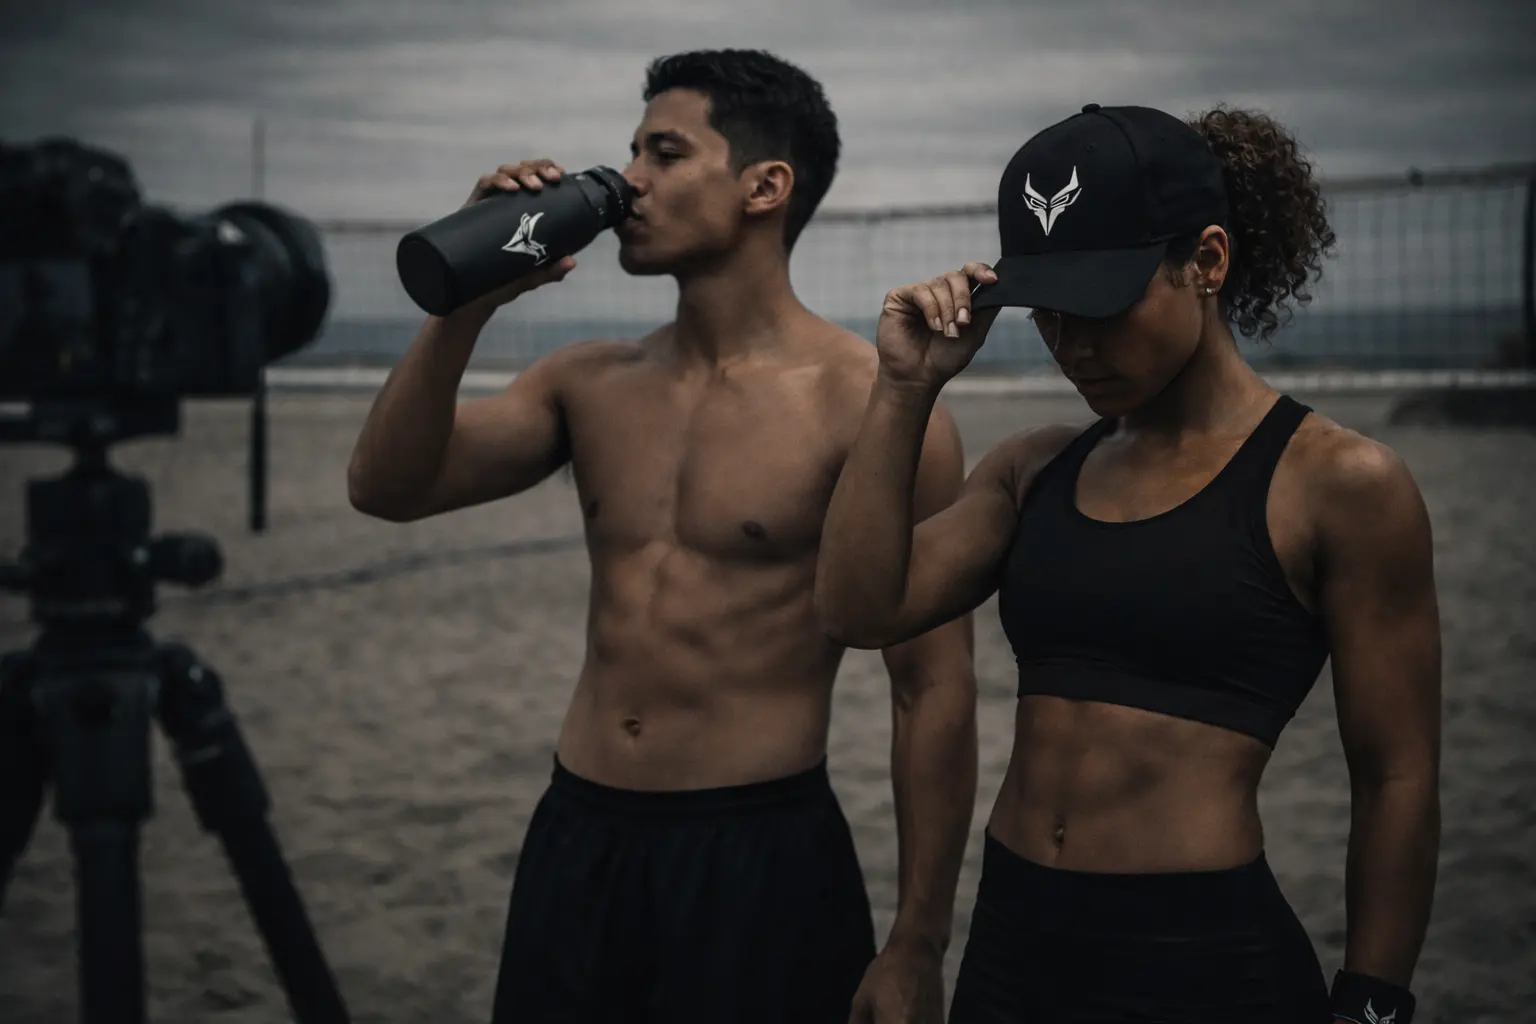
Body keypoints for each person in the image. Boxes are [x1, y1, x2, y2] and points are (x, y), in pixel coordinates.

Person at [347, 49, 978, 1024]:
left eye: (666, 152)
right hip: (579, 835)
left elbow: (929, 688)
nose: (628, 179)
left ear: (765, 186)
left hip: (757, 851)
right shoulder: (588, 382)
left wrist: (916, 940)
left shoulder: (874, 406)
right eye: (631, 150)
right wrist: (465, 303)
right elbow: (386, 487)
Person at [815, 103, 1442, 1023]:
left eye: (1102, 306)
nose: (1073, 346)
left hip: (1199, 960)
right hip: (1011, 945)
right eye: (1049, 314)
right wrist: (905, 385)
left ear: (1207, 263)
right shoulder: (1036, 468)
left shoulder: (1340, 485)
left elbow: (1397, 776)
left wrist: (1373, 1006)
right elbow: (857, 610)